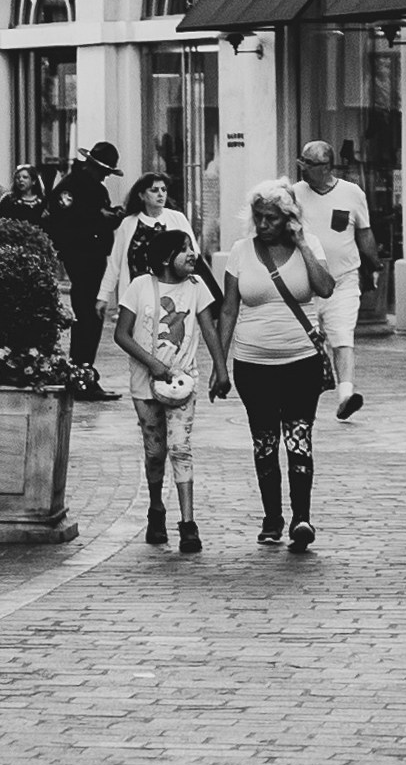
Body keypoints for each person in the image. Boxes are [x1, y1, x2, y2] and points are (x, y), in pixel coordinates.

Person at [217, 182, 348, 552]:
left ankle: (301, 518)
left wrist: (303, 244)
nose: (262, 224)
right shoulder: (241, 252)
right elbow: (229, 308)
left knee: (298, 438)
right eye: (258, 217)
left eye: (271, 218)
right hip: (252, 364)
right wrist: (219, 365)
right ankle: (271, 517)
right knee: (265, 442)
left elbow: (325, 288)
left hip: (300, 363)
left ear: (289, 219)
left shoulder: (312, 246)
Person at [109, 214, 219, 552]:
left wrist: (220, 368)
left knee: (181, 449)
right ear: (164, 258)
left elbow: (209, 327)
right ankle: (156, 509)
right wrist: (153, 364)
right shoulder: (140, 286)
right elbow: (121, 334)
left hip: (184, 382)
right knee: (155, 452)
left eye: (191, 248)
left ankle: (188, 523)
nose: (192, 254)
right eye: (183, 249)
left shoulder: (197, 287)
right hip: (146, 385)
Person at [49, 142, 126, 393]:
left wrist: (110, 216)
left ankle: (84, 369)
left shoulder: (95, 187)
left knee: (92, 315)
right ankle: (81, 371)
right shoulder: (72, 186)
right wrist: (102, 218)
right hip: (80, 255)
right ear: (93, 165)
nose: (105, 175)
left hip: (94, 255)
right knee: (87, 313)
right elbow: (67, 218)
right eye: (104, 170)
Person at [292, 140, 377, 345]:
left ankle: (345, 379)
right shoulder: (293, 193)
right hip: (305, 284)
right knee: (310, 344)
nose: (303, 168)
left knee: (342, 339)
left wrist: (375, 264)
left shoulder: (352, 193)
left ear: (327, 166)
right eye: (302, 162)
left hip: (343, 282)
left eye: (309, 164)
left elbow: (364, 233)